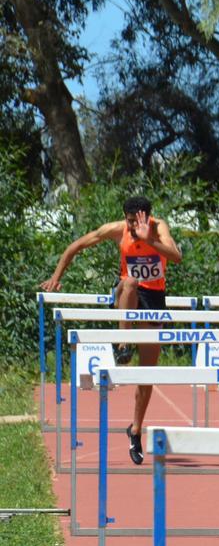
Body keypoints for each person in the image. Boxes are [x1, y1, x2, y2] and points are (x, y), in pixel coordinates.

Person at [39, 196, 182, 465]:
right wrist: (57, 276)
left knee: (148, 374)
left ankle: (136, 429)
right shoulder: (116, 230)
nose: (131, 227)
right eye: (128, 221)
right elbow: (76, 246)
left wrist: (149, 239)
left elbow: (176, 257)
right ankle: (123, 345)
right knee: (130, 281)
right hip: (125, 292)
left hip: (154, 297)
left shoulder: (159, 228)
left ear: (147, 217)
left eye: (136, 222)